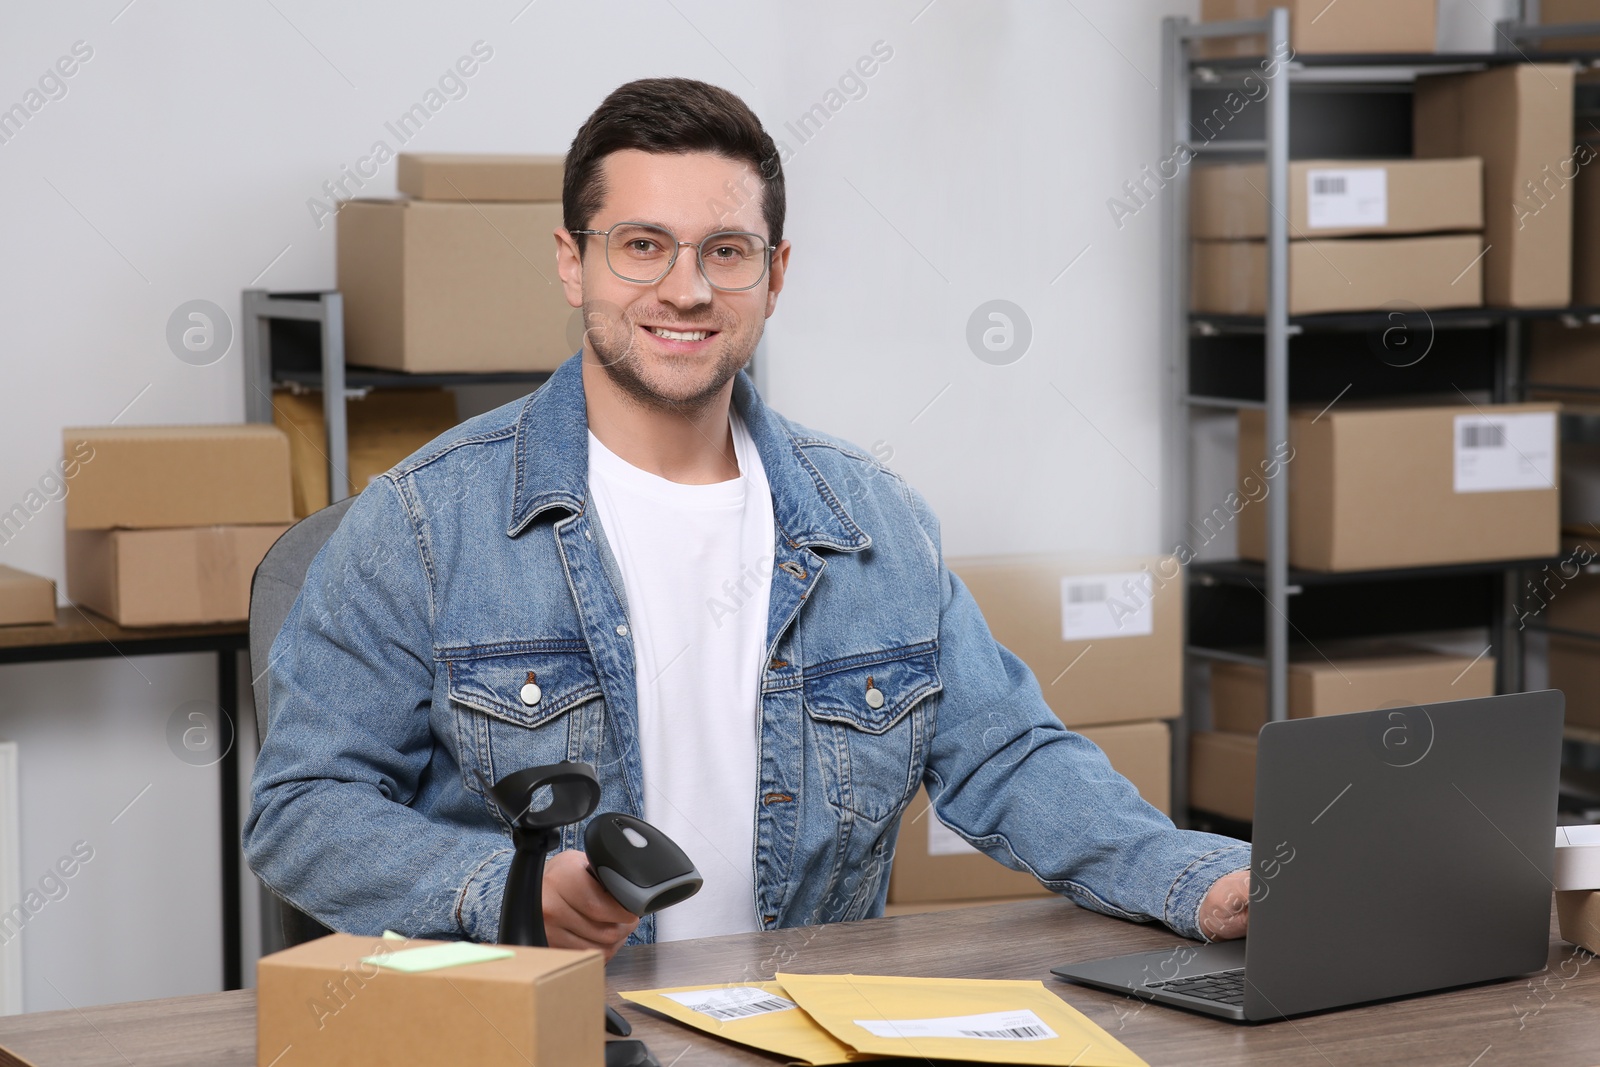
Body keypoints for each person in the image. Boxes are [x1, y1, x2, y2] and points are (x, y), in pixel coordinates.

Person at [244, 77, 1251, 962]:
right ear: (571, 260)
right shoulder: (423, 523)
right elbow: (302, 813)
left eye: (725, 250)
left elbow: (1005, 755)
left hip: (798, 1027)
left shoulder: (873, 523)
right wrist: (502, 889)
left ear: (773, 272)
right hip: (545, 1028)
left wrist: (1194, 878)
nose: (685, 288)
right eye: (642, 246)